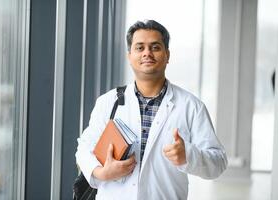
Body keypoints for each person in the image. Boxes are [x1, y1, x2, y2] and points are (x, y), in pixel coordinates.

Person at [75, 20, 227, 200]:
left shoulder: (191, 106)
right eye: (140, 48)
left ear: (167, 55)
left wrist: (189, 156)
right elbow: (84, 148)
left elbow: (218, 162)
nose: (147, 53)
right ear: (129, 56)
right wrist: (101, 172)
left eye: (155, 47)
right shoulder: (108, 102)